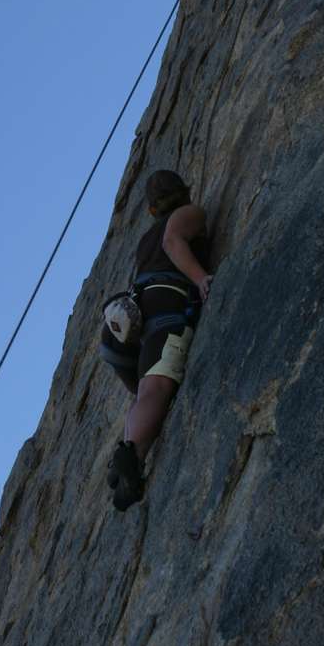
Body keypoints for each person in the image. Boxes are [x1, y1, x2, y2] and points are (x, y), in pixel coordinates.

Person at [108, 170, 212, 511]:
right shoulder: (189, 213)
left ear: (152, 209)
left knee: (146, 391)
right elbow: (173, 241)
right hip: (165, 304)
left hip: (135, 317)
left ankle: (128, 449)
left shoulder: (144, 240)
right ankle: (132, 457)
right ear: (184, 192)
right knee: (157, 388)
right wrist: (201, 278)